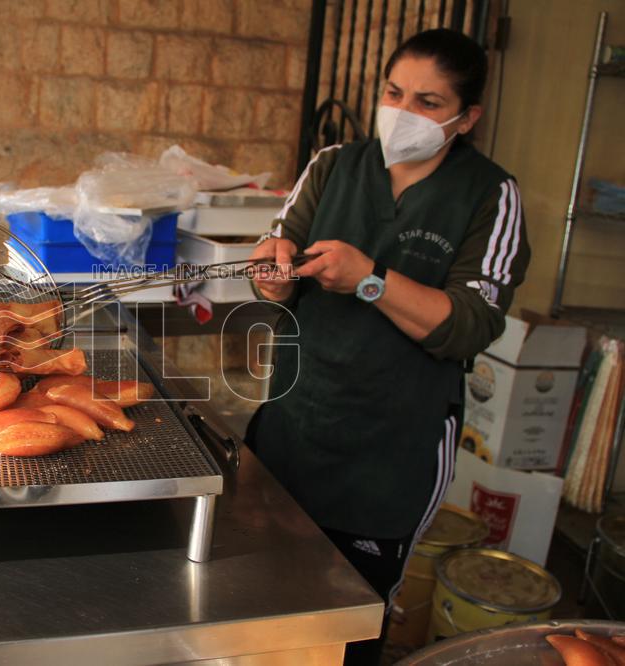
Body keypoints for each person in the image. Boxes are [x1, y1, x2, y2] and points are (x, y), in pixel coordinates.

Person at [246, 28, 530, 665]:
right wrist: (271, 273)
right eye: (394, 93)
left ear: (467, 118)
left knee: (346, 625)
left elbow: (471, 324)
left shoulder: (489, 195)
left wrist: (370, 280)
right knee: (260, 610)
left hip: (389, 456)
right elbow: (277, 268)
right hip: (295, 424)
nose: (403, 113)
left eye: (428, 102)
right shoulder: (333, 167)